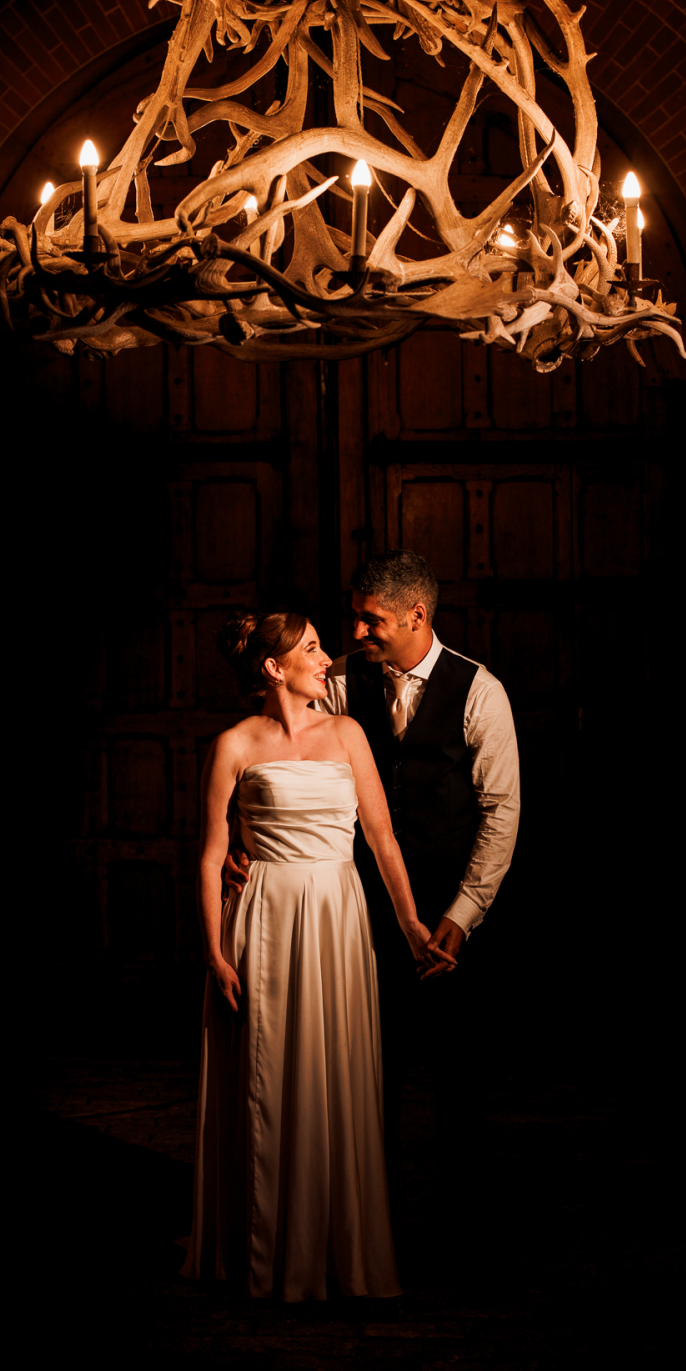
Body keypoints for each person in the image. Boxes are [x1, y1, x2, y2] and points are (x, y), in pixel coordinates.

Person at [224, 551, 520, 1221]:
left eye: (369, 619)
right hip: (355, 912)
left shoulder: (480, 692)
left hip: (447, 916)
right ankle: (369, 1221)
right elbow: (278, 747)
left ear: (417, 615)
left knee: (457, 1076)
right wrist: (242, 842)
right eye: (354, 618)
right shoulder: (338, 681)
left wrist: (463, 913)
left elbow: (502, 812)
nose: (354, 632)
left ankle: (462, 1222)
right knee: (362, 1077)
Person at [181, 607, 455, 1302]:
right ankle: (262, 1249)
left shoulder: (347, 733)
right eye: (310, 647)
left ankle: (336, 1248)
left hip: (336, 911)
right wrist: (214, 953)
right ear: (275, 668)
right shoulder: (236, 743)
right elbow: (213, 854)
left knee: (334, 1070)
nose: (327, 655)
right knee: (266, 1073)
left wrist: (413, 926)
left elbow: (382, 838)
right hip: (266, 915)